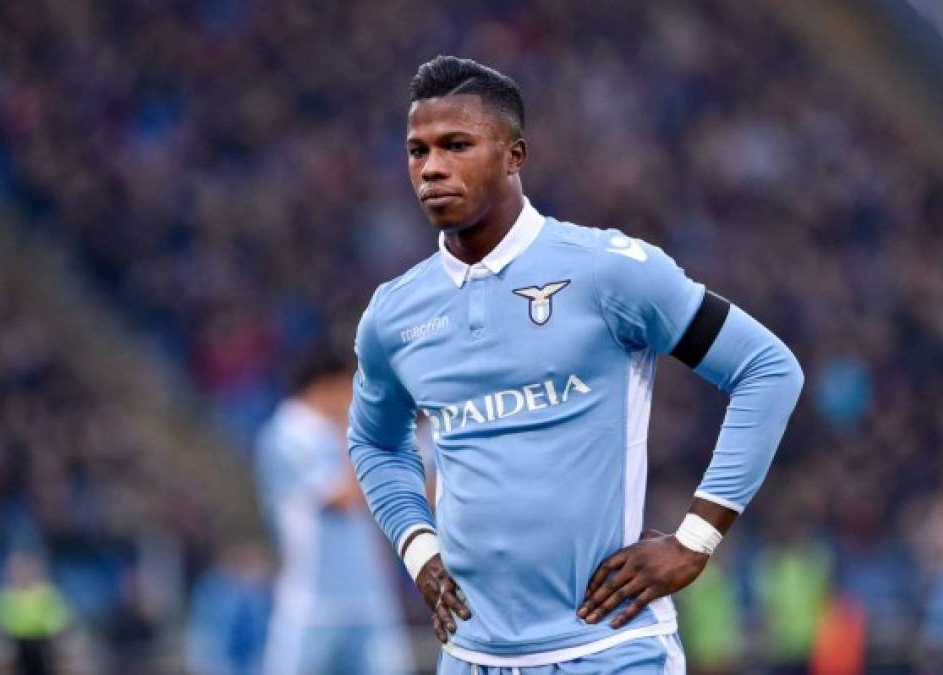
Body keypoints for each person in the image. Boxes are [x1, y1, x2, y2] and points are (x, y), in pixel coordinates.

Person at [348, 55, 804, 674]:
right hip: (469, 656)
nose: (432, 168)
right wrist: (418, 546)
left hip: (608, 651)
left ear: (514, 155)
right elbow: (375, 443)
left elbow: (767, 369)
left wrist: (696, 540)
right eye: (417, 150)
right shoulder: (395, 314)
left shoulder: (607, 270)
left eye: (456, 145)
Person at [256, 349, 414, 675]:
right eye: (350, 387)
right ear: (326, 385)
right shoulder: (289, 434)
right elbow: (345, 498)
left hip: (369, 595)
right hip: (314, 602)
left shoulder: (337, 432)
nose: (356, 398)